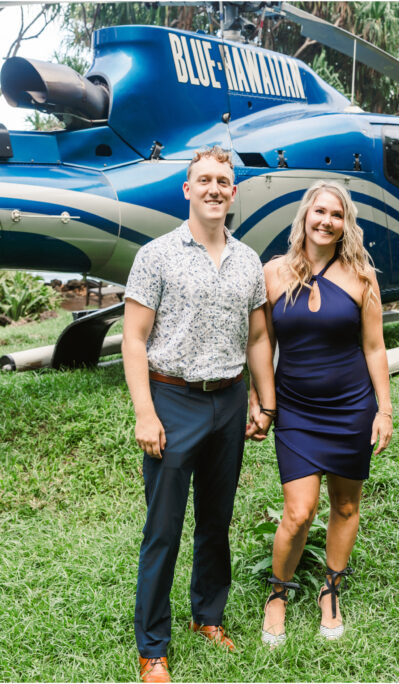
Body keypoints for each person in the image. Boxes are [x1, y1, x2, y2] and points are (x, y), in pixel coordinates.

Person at [122, 146, 276, 683]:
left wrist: (264, 401)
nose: (215, 188)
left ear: (234, 193)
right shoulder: (157, 255)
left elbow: (258, 337)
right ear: (186, 190)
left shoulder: (249, 261)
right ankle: (153, 648)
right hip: (173, 399)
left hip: (230, 401)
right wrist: (145, 412)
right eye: (204, 179)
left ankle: (207, 617)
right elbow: (134, 339)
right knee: (163, 529)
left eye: (224, 181)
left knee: (216, 521)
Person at [251, 180, 392, 647]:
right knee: (299, 510)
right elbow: (260, 344)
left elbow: (374, 348)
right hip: (296, 409)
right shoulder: (272, 273)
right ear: (305, 217)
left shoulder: (362, 276)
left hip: (352, 407)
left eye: (337, 214)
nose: (327, 221)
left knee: (347, 505)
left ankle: (329, 590)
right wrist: (262, 400)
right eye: (320, 212)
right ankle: (278, 592)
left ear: (344, 223)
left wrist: (384, 410)